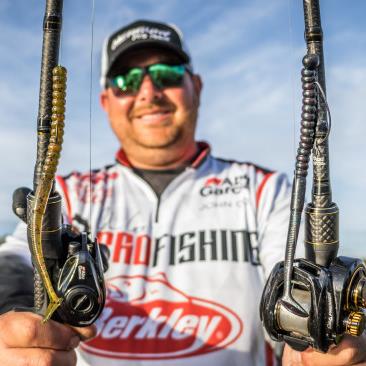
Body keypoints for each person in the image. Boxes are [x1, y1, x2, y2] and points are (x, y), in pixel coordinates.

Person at [0, 19, 365, 366]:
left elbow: (300, 286)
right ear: (106, 102)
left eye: (166, 75)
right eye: (127, 80)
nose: (148, 92)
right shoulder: (65, 193)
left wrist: (316, 344)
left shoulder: (266, 191)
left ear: (197, 87)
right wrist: (13, 322)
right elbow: (14, 261)